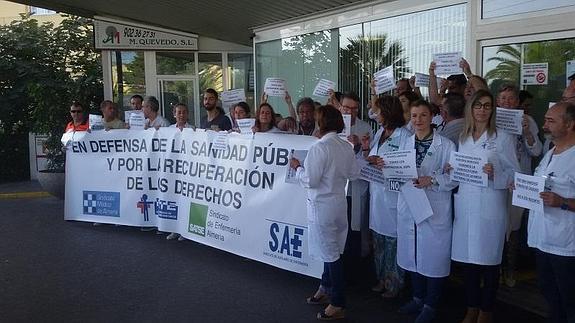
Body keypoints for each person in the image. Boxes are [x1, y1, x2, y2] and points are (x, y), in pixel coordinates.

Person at [450, 89, 519, 323]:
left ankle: (486, 310)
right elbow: (459, 171)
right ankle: (471, 307)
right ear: (471, 108)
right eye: (478, 105)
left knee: (489, 262)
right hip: (466, 205)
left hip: (491, 204)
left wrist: (495, 173)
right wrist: (452, 170)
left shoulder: (503, 137)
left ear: (493, 109)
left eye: (487, 105)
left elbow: (515, 175)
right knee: (469, 263)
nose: (482, 110)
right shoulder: (463, 137)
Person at [290, 105, 360, 321]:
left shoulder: (319, 147)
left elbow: (311, 180)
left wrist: (297, 167)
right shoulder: (345, 146)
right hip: (339, 204)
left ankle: (338, 302)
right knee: (334, 251)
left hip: (322, 206)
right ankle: (325, 287)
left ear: (321, 123)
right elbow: (354, 173)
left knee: (331, 255)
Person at [396, 100, 457, 323]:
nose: (418, 120)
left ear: (432, 116)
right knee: (413, 255)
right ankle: (418, 298)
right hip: (410, 205)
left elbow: (454, 177)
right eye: (414, 116)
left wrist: (431, 179)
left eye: (423, 115)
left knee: (433, 258)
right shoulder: (405, 144)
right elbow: (397, 171)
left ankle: (431, 305)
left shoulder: (447, 145)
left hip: (435, 208)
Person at [527, 101, 575, 323]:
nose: (544, 125)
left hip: (565, 245)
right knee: (550, 295)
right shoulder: (550, 153)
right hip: (542, 239)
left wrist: (562, 201)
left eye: (550, 121)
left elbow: (561, 198)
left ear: (570, 125)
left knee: (569, 300)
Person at [361, 95, 411, 298]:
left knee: (393, 243)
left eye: (378, 110)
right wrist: (366, 150)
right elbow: (371, 159)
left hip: (394, 197)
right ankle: (382, 279)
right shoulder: (380, 132)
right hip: (377, 196)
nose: (375, 114)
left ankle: (394, 283)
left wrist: (386, 164)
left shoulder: (405, 136)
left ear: (388, 112)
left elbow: (407, 167)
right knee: (379, 242)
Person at [497, 84, 542, 287]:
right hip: (497, 181)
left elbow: (536, 151)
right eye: (503, 98)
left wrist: (526, 133)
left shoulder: (528, 121)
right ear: (498, 101)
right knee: (497, 225)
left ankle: (510, 270)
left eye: (511, 99)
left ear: (517, 102)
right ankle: (494, 269)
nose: (507, 102)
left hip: (519, 182)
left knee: (514, 228)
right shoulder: (491, 120)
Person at [340, 92, 373, 259]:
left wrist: (359, 145)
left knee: (354, 228)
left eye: (354, 109)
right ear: (340, 107)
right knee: (337, 228)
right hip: (337, 186)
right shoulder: (332, 126)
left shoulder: (365, 128)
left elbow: (370, 158)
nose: (349, 112)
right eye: (346, 108)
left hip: (355, 187)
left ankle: (353, 267)